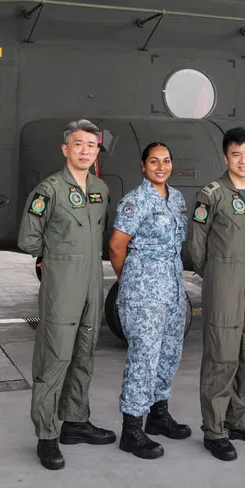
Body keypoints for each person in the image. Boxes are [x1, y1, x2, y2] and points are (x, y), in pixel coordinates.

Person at [18, 119, 117, 471]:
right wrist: (56, 259)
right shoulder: (49, 190)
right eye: (79, 144)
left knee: (84, 354)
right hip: (63, 286)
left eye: (92, 146)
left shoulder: (100, 189)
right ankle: (47, 436)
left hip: (92, 282)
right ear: (65, 149)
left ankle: (75, 421)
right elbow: (28, 240)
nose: (86, 151)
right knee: (54, 358)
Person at [185, 126, 245, 461]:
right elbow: (197, 246)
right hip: (223, 281)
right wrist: (219, 276)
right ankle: (215, 429)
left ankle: (240, 419)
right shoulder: (212, 194)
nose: (243, 160)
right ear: (226, 157)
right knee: (221, 355)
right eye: (236, 154)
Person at [108, 142, 192, 460]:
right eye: (154, 161)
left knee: (169, 355)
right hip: (143, 295)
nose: (161, 166)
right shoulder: (136, 201)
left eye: (166, 161)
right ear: (143, 166)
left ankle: (158, 415)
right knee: (143, 360)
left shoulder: (177, 199)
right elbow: (117, 246)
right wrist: (127, 279)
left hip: (172, 291)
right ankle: (132, 430)